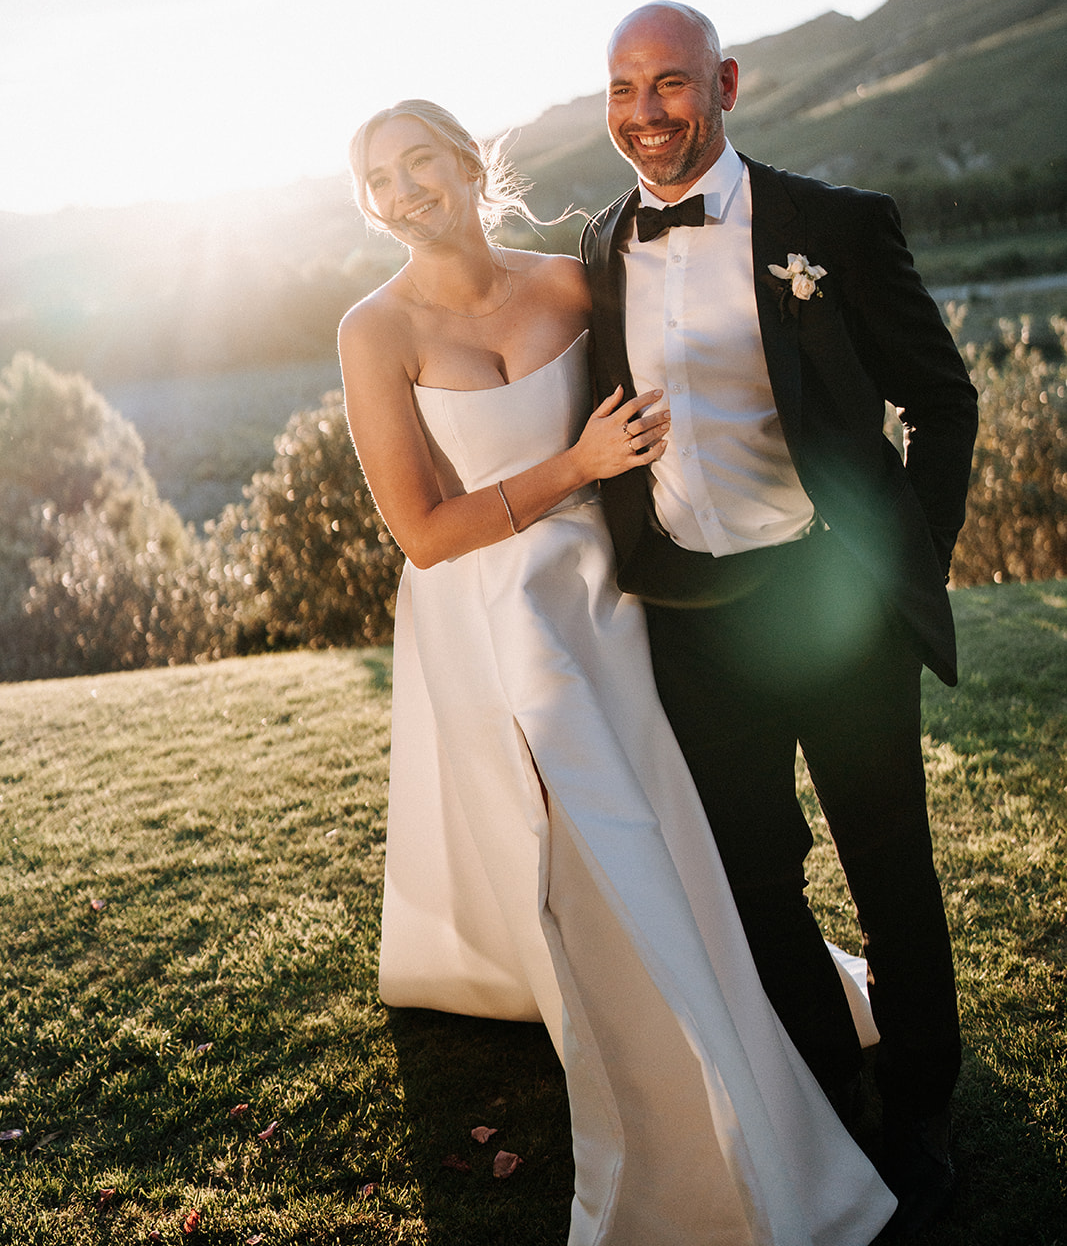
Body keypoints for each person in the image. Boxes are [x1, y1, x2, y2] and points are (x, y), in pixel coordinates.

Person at [339, 98, 896, 1245]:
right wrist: (576, 462)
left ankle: (749, 1001)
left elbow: (683, 383)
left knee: (682, 806)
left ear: (465, 162)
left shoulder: (569, 278)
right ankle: (675, 1069)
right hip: (498, 604)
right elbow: (424, 532)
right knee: (596, 815)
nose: (400, 194)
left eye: (416, 165)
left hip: (621, 582)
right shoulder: (373, 331)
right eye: (375, 182)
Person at [580, 2, 979, 1239]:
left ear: (727, 83)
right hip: (693, 620)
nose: (646, 115)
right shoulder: (597, 247)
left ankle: (916, 1097)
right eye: (622, 89)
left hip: (831, 598)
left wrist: (901, 558)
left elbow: (942, 400)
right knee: (754, 874)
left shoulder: (834, 228)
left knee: (885, 857)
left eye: (672, 85)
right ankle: (824, 1087)